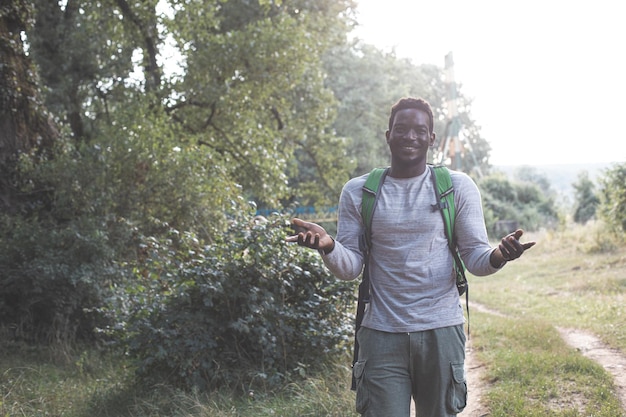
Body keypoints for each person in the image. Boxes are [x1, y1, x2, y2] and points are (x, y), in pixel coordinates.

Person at [286, 97, 535, 416]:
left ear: (432, 139)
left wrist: (501, 254)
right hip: (379, 334)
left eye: (420, 130)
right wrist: (329, 246)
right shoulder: (358, 191)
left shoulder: (457, 187)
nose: (410, 136)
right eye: (401, 129)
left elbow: (475, 258)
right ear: (387, 134)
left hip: (441, 331)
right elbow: (351, 268)